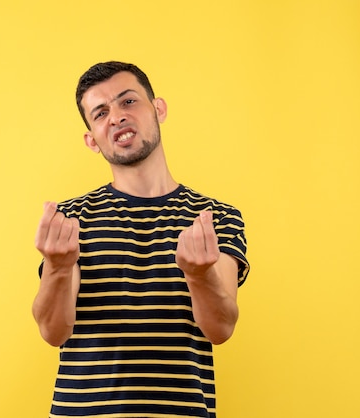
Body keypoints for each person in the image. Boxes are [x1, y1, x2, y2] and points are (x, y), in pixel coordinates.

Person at [33, 61, 250, 418]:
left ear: (158, 109)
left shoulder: (215, 217)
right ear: (92, 139)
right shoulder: (72, 220)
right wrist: (57, 267)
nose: (116, 117)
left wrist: (198, 276)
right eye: (101, 113)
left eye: (128, 102)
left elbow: (221, 327)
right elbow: (53, 332)